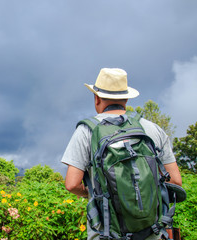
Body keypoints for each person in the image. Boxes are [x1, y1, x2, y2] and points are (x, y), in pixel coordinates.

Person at [61, 68, 182, 240]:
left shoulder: (87, 130)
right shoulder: (151, 129)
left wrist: (94, 192)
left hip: (106, 234)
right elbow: (176, 181)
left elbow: (72, 184)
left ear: (96, 98)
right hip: (152, 233)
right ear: (126, 98)